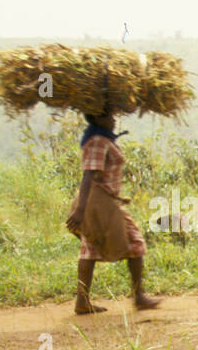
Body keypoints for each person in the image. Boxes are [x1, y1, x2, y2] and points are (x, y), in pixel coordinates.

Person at [66, 110, 160, 313]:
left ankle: (84, 301)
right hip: (99, 202)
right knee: (133, 242)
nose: (113, 118)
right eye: (108, 115)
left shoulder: (101, 139)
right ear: (97, 117)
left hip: (104, 201)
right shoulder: (98, 141)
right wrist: (81, 210)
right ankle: (138, 296)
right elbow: (88, 175)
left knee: (91, 248)